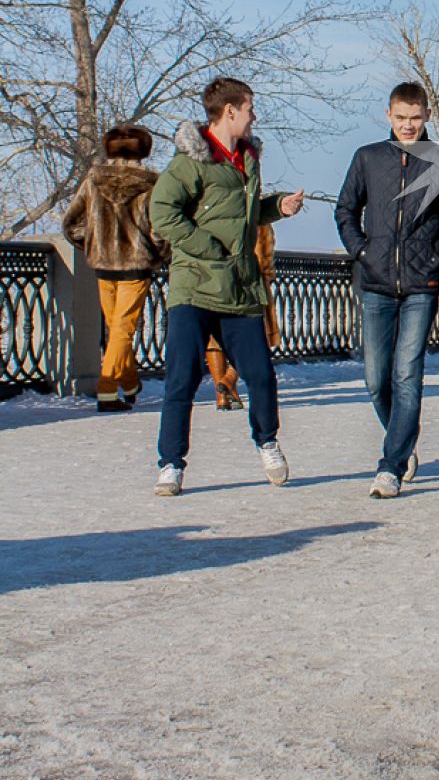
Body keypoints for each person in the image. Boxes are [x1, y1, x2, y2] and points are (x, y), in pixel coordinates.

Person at [149, 79, 304, 496]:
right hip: (195, 288)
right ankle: (171, 464)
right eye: (250, 107)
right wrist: (207, 248)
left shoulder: (246, 158)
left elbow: (246, 212)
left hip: (239, 288)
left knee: (261, 375)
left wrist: (278, 207)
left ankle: (267, 442)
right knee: (181, 378)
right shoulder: (190, 161)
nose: (254, 115)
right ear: (229, 111)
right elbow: (161, 211)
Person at [336, 83, 439, 499]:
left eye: (415, 118)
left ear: (427, 115)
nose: (408, 125)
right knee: (376, 378)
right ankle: (403, 438)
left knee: (407, 373)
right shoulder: (367, 158)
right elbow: (345, 209)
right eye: (401, 118)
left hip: (423, 284)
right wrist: (361, 249)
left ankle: (390, 465)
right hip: (375, 282)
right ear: (388, 115)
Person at [61, 124, 168, 413]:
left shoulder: (93, 180)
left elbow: (72, 223)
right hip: (136, 264)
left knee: (116, 328)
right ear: (143, 150)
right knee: (122, 329)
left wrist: (95, 244)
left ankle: (130, 381)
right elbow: (160, 228)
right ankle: (107, 390)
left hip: (104, 264)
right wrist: (158, 252)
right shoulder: (153, 183)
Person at [205, 223, 279, 410]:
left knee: (215, 341)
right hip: (250, 284)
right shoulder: (257, 218)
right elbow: (264, 256)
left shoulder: (210, 212)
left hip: (213, 282)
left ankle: (222, 397)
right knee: (254, 340)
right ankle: (229, 378)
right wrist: (268, 274)